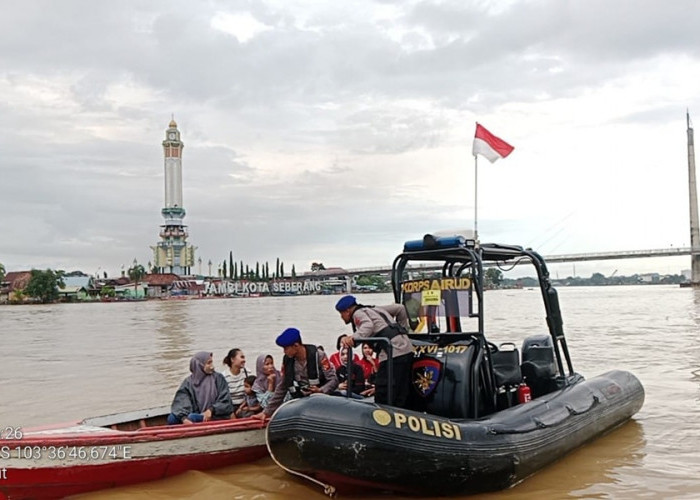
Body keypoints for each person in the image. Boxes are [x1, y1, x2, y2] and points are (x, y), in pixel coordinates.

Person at [335, 295, 413, 408]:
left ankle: (384, 415)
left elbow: (368, 326)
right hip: (406, 348)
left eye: (341, 314)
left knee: (383, 389)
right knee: (401, 388)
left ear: (347, 311)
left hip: (393, 352)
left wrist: (353, 338)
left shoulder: (357, 314)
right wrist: (403, 330)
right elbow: (400, 308)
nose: (342, 317)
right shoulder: (374, 309)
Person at [253, 327, 338, 419]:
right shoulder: (288, 360)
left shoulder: (319, 355)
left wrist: (321, 390)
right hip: (301, 401)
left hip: (322, 400)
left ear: (296, 345)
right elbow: (282, 387)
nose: (284, 351)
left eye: (286, 348)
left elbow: (333, 380)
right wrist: (266, 412)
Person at [167, 351, 233, 424]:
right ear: (199, 365)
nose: (212, 366)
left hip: (215, 415)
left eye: (212, 362)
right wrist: (183, 418)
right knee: (172, 418)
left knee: (192, 417)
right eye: (209, 363)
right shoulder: (188, 382)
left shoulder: (218, 378)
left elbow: (226, 401)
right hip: (196, 413)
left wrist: (211, 410)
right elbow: (181, 402)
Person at [222, 348, 249, 416]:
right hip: (228, 407)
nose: (244, 360)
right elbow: (223, 398)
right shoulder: (224, 376)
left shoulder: (247, 373)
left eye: (244, 357)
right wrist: (230, 412)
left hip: (243, 405)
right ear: (232, 359)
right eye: (241, 357)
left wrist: (242, 407)